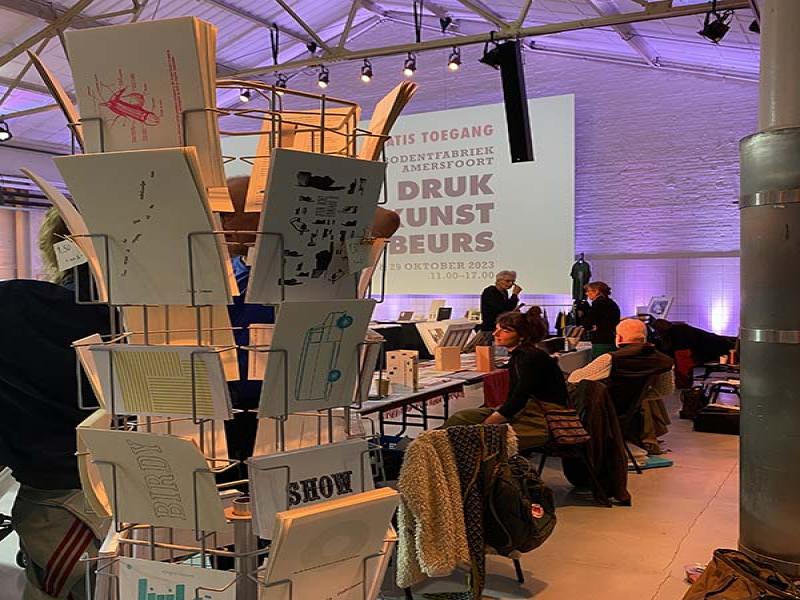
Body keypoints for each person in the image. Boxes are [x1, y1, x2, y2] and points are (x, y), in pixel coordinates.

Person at [0, 208, 111, 599]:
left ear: (54, 245)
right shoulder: (159, 322)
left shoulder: (12, 304)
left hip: (56, 506)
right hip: (152, 499)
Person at [444, 311, 568, 450]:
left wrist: (486, 424)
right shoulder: (521, 356)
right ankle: (437, 448)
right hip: (526, 410)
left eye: (505, 331)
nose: (495, 334)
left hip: (542, 417)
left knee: (473, 437)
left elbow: (518, 399)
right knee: (460, 418)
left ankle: (442, 452)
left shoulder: (528, 357)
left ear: (522, 336)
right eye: (497, 329)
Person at [568, 319, 674, 450]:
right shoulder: (664, 361)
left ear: (619, 338)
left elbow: (574, 379)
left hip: (603, 413)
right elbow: (665, 390)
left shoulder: (610, 359)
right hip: (631, 413)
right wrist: (638, 398)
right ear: (644, 337)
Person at [651, 319, 735, 388]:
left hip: (720, 347)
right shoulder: (676, 330)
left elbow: (683, 360)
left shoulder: (679, 333)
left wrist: (682, 382)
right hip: (718, 343)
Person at [465, 271, 522, 351]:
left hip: (497, 326)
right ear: (498, 280)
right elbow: (503, 308)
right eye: (507, 281)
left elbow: (506, 308)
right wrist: (514, 295)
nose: (510, 284)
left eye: (513, 282)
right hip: (490, 328)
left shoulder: (504, 292)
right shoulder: (490, 291)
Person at [582, 281, 621, 359]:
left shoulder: (598, 304)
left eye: (588, 291)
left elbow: (588, 323)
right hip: (612, 339)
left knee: (598, 363)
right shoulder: (612, 303)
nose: (586, 293)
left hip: (601, 341)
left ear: (596, 291)